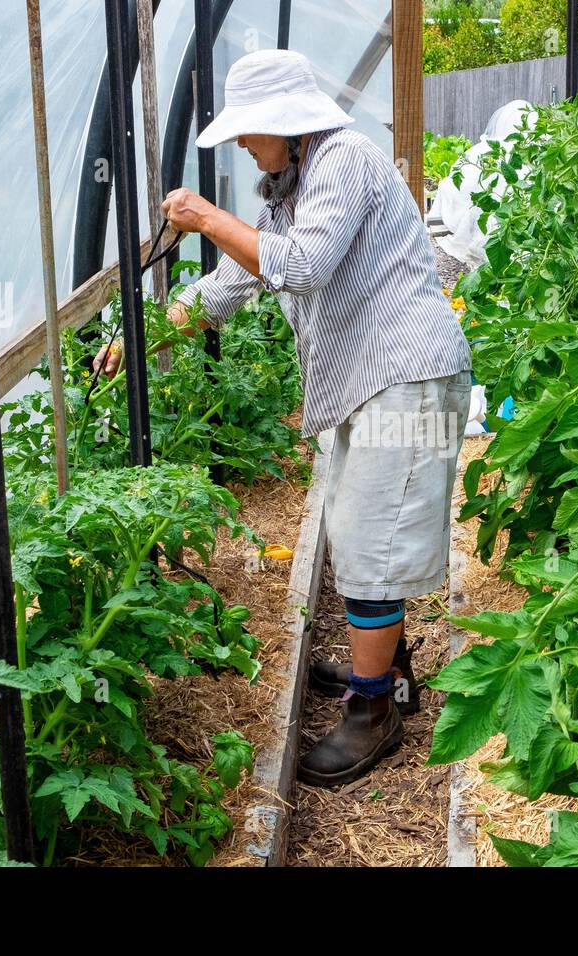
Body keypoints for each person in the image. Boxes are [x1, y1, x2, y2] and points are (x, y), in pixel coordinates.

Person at [96, 48, 472, 787]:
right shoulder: (289, 186)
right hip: (372, 379)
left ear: (284, 122)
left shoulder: (345, 161)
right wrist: (142, 335)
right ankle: (388, 671)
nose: (241, 144)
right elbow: (235, 281)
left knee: (370, 538)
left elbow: (299, 266)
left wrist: (206, 217)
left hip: (408, 374)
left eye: (247, 131)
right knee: (358, 531)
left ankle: (374, 715)